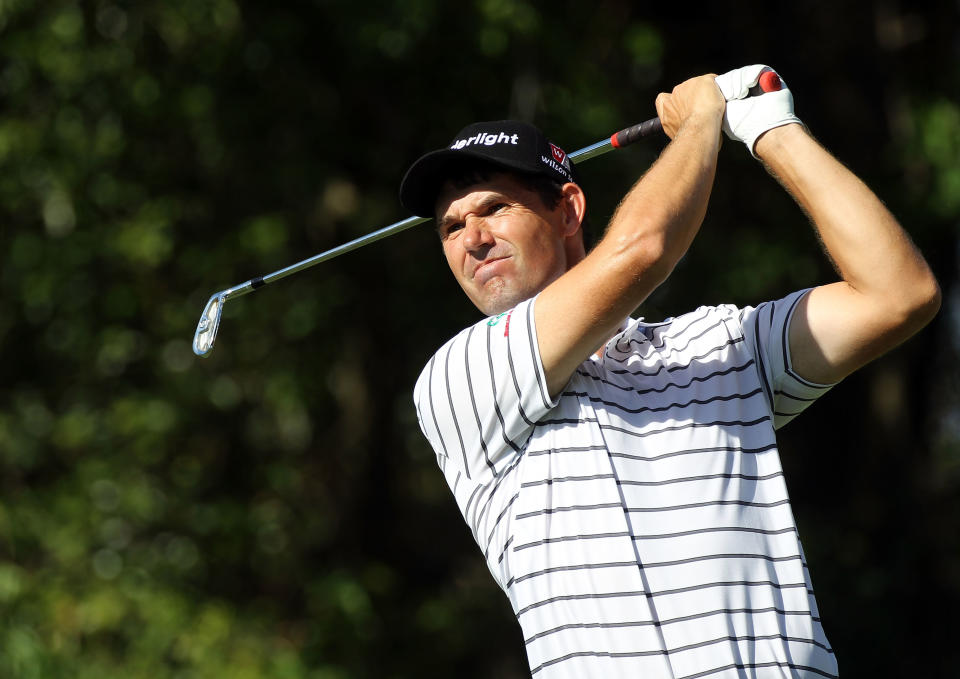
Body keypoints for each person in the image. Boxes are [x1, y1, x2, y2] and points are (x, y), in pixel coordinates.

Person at [398, 65, 940, 678]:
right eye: (449, 227)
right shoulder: (460, 375)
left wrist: (770, 126)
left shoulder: (714, 344)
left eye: (494, 207)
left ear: (569, 210)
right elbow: (643, 250)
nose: (471, 238)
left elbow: (899, 294)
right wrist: (700, 123)